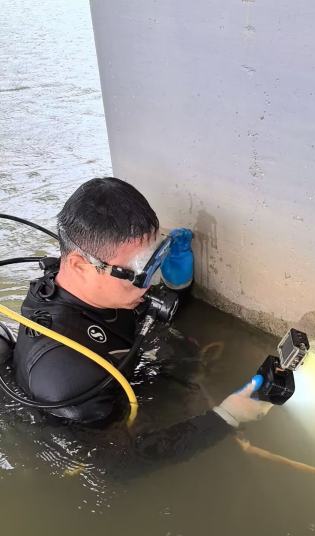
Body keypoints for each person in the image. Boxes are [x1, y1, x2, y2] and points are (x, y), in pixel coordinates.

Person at [13, 177, 271, 462]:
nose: (147, 285)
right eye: (137, 272)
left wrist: (179, 288)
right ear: (79, 265)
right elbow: (122, 462)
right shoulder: (67, 379)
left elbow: (145, 313)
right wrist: (226, 417)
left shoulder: (98, 289)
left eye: (152, 262)